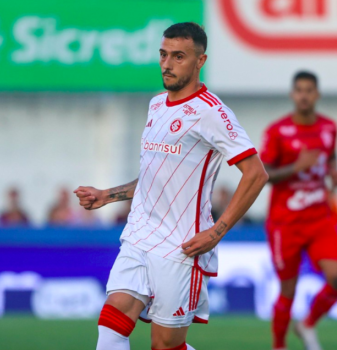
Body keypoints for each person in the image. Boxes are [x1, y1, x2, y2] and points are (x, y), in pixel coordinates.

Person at [74, 22, 267, 350]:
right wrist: (107, 195)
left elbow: (256, 174)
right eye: (163, 55)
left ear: (199, 61)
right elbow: (156, 175)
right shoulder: (156, 105)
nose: (167, 63)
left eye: (179, 56)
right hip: (138, 236)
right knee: (110, 328)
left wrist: (216, 231)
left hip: (180, 247)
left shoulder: (212, 113)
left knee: (165, 346)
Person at [261, 71, 337, 350]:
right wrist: (294, 168)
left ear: (317, 95)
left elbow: (331, 157)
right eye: (299, 90)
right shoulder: (277, 132)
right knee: (288, 290)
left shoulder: (329, 128)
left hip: (319, 218)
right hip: (284, 223)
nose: (304, 95)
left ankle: (308, 323)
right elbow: (263, 174)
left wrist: (334, 175)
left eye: (309, 90)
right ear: (292, 94)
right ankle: (279, 345)